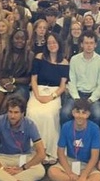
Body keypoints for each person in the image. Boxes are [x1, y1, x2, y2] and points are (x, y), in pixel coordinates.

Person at [41, 99, 100, 181]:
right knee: (52, 172)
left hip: (87, 164)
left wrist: (83, 176)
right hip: (70, 161)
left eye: (83, 113)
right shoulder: (66, 126)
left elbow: (94, 157)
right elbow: (60, 153)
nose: (80, 116)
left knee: (98, 179)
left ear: (88, 114)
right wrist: (70, 173)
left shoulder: (94, 128)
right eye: (77, 112)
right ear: (72, 112)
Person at [27, 33, 70, 163]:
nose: (52, 45)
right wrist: (38, 95)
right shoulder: (39, 57)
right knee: (32, 113)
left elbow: (63, 86)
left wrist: (51, 97)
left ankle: (49, 150)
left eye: (54, 42)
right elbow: (33, 79)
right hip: (37, 90)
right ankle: (34, 150)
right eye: (50, 42)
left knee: (49, 114)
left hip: (54, 92)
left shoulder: (64, 62)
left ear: (59, 44)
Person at [62, 31, 100, 125]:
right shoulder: (74, 59)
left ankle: (92, 138)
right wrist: (76, 99)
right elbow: (71, 81)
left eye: (91, 43)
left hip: (93, 96)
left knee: (98, 115)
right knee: (65, 113)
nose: (89, 46)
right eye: (86, 43)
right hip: (76, 95)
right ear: (82, 44)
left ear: (95, 45)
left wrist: (90, 100)